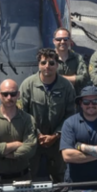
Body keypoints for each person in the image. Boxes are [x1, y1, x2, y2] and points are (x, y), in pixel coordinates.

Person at [19, 48, 76, 182]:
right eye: (43, 63)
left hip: (57, 141)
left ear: (57, 65)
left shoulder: (66, 86)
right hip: (32, 139)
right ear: (38, 64)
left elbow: (71, 114)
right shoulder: (28, 85)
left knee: (59, 175)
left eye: (51, 63)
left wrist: (56, 135)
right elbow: (22, 113)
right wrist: (37, 134)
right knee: (27, 175)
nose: (47, 66)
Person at [60, 86, 97, 188]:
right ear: (80, 104)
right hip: (74, 183)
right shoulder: (69, 123)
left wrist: (82, 147)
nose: (91, 105)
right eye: (86, 102)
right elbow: (67, 156)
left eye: (95, 101)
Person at [0, 79, 38, 182]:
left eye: (13, 94)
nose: (9, 97)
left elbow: (30, 148)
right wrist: (17, 144)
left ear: (18, 95)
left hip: (21, 178)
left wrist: (5, 153)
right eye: (5, 94)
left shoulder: (28, 119)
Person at [54, 27, 90, 96]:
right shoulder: (49, 58)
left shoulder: (77, 58)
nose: (62, 42)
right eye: (59, 39)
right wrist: (73, 78)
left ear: (70, 41)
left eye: (65, 39)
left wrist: (59, 78)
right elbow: (46, 78)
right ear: (54, 41)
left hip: (73, 98)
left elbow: (84, 78)